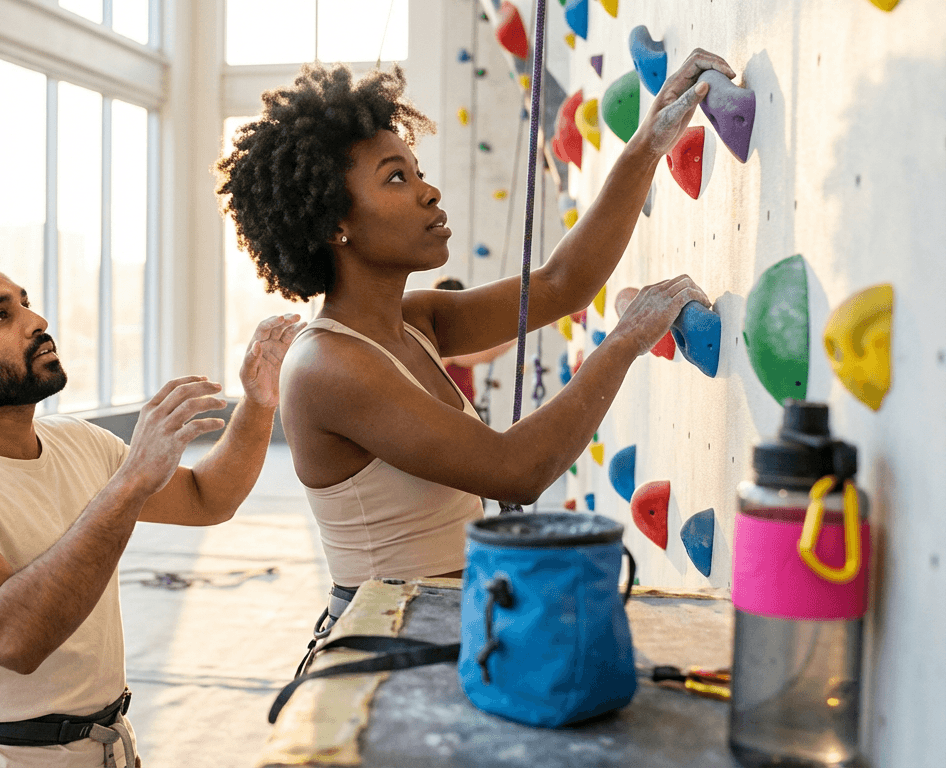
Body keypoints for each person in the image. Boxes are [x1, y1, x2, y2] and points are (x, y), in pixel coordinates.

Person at [215, 54, 730, 634]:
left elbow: (565, 284)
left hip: (443, 616)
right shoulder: (326, 365)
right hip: (386, 637)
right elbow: (515, 470)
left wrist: (647, 143)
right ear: (337, 224)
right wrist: (627, 339)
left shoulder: (415, 321)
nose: (429, 191)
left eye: (416, 170)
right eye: (396, 177)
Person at [0, 240, 302, 767]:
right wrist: (128, 486)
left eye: (24, 302)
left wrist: (259, 403)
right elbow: (12, 638)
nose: (36, 321)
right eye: (0, 316)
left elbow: (206, 499)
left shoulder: (79, 441)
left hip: (107, 747)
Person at [431, 277, 510, 415]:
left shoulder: (455, 336)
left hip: (463, 410)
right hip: (449, 414)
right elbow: (486, 354)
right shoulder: (440, 341)